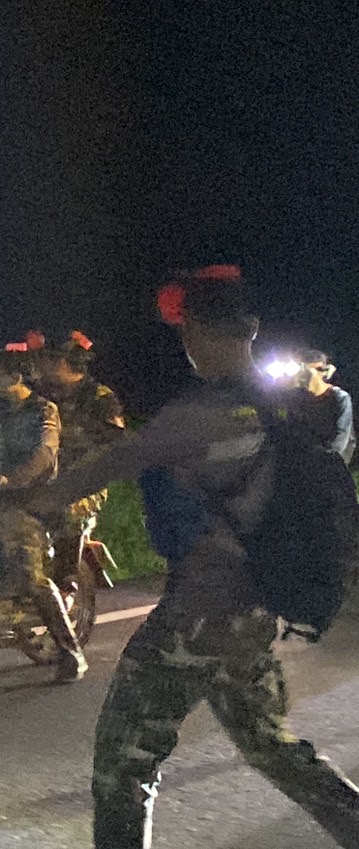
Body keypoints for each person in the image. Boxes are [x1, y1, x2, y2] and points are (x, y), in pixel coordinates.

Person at [27, 265, 359, 849]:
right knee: (272, 748)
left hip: (199, 612)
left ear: (197, 336)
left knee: (123, 761)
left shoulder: (196, 416)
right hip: (256, 605)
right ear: (251, 329)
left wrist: (30, 500)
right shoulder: (290, 408)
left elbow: (109, 466)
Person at [0, 344, 88, 682]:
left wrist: (14, 479)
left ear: (17, 376)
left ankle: (71, 653)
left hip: (31, 501)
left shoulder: (43, 411)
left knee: (31, 576)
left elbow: (45, 452)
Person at [33, 330, 128, 579]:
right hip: (38, 475)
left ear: (65, 362)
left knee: (62, 511)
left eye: (49, 359)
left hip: (84, 482)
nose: (41, 364)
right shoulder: (40, 396)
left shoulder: (99, 398)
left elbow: (112, 448)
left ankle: (64, 581)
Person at [288, 349, 354, 464]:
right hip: (310, 459)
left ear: (322, 371)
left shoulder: (339, 397)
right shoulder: (299, 399)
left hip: (333, 461)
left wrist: (323, 459)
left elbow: (341, 437)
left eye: (306, 373)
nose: (301, 377)